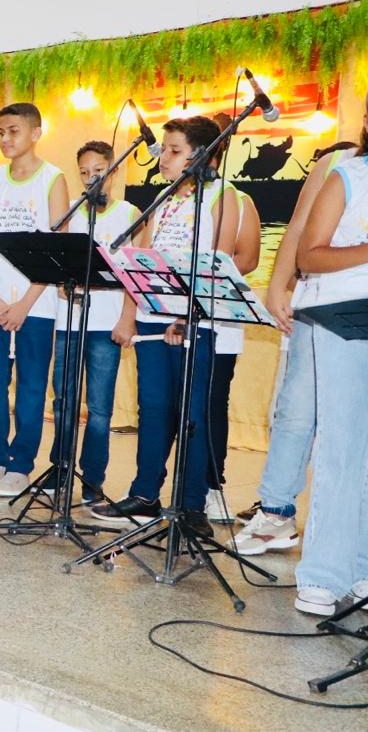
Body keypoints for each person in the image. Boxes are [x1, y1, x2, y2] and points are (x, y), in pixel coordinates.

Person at [91, 116, 238, 538]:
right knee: (153, 410)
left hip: (194, 323)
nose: (164, 158)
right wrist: (128, 315)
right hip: (152, 319)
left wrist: (185, 317)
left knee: (192, 415)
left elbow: (220, 262)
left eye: (175, 151)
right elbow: (140, 260)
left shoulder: (222, 196)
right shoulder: (163, 197)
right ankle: (145, 494)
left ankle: (191, 505)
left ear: (201, 155)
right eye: (166, 149)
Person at [231, 124, 366, 555]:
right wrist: (277, 286)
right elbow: (299, 228)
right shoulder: (339, 162)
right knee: (297, 409)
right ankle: (275, 512)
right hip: (323, 306)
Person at [0, 102, 68, 497]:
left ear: (35, 133)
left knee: (30, 386)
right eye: (1, 132)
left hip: (35, 304)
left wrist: (25, 302)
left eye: (13, 131)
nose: (5, 139)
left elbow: (58, 248)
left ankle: (20, 465)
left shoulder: (53, 179)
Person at [290, 143, 368, 615]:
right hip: (346, 320)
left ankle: (361, 569)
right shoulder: (349, 176)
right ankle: (323, 574)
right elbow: (309, 255)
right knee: (341, 447)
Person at [45, 142, 138, 504]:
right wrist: (62, 284)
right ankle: (60, 468)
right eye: (83, 172)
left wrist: (127, 319)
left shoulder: (129, 214)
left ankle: (93, 479)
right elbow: (59, 264)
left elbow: (134, 275)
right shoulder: (71, 213)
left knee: (99, 409)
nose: (90, 178)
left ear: (113, 171)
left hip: (106, 323)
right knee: (63, 401)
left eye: (98, 170)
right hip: (70, 322)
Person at [203, 183, 260, 522]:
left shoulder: (238, 199)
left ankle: (213, 486)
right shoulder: (173, 200)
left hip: (219, 319)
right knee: (170, 406)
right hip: (172, 318)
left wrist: (199, 282)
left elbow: (248, 258)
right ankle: (157, 486)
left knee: (211, 403)